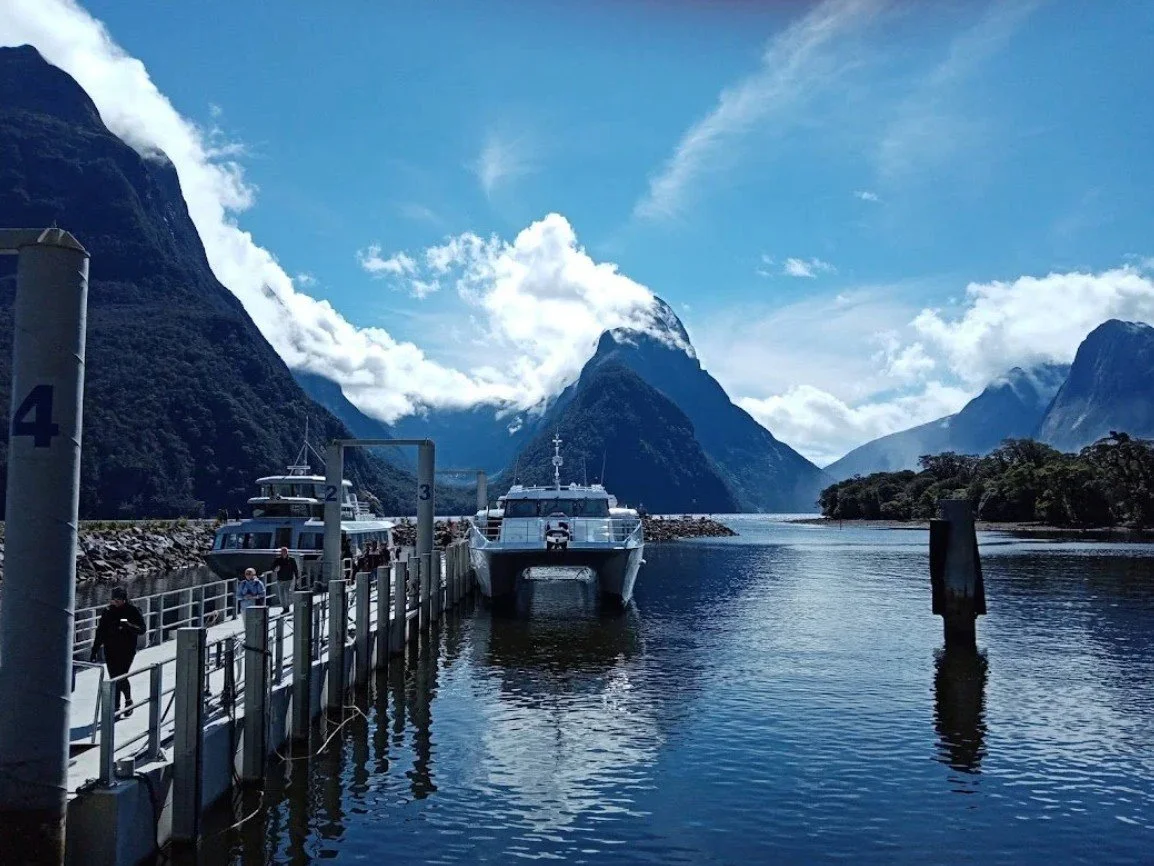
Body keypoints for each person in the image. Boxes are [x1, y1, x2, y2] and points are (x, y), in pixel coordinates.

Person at [91, 586, 146, 715]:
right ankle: (115, 706)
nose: (115, 602)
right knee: (113, 677)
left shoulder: (133, 610)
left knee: (121, 676)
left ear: (124, 599)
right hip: (110, 648)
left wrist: (128, 625)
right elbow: (100, 631)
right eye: (113, 599)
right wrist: (95, 650)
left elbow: (142, 629)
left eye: (118, 600)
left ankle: (128, 700)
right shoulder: (108, 611)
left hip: (127, 649)